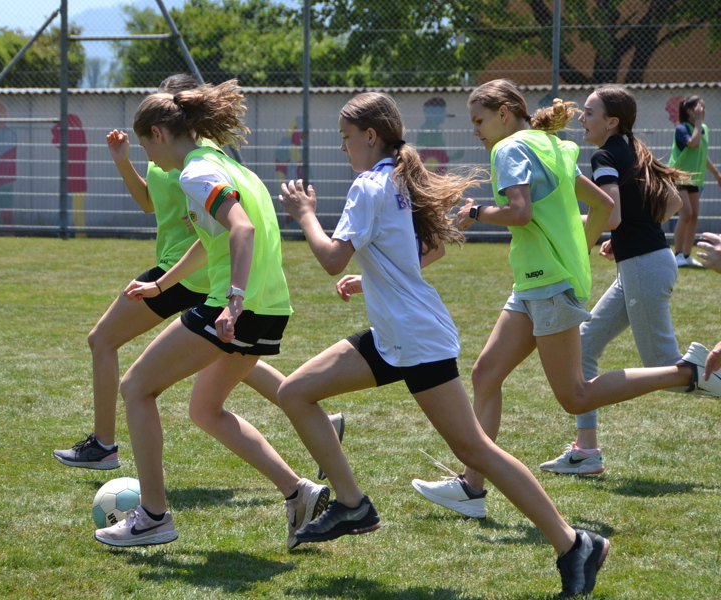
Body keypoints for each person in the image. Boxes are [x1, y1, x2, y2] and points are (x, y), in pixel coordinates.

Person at [276, 90, 609, 597]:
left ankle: (573, 543)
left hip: (414, 339)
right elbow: (426, 249)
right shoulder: (398, 178)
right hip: (396, 335)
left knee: (474, 447)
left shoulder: (368, 185)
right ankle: (351, 504)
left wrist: (303, 212)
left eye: (346, 139)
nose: (343, 148)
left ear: (370, 136)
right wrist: (379, 279)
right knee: (294, 392)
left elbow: (331, 259)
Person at [411, 80, 721, 521]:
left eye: (479, 120)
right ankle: (471, 486)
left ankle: (684, 372)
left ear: (503, 113)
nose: (475, 131)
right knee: (485, 374)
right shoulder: (550, 144)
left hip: (548, 282)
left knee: (575, 396)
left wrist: (476, 212)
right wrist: (576, 249)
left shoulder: (509, 150)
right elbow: (606, 210)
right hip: (536, 281)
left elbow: (520, 212)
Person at [53, 74, 342, 474]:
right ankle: (317, 476)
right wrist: (124, 162)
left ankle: (119, 464)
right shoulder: (191, 158)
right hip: (206, 276)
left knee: (121, 362)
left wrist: (232, 296)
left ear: (166, 124)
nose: (150, 156)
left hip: (207, 279)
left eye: (147, 145)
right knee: (219, 380)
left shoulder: (198, 162)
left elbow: (238, 227)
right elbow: (164, 211)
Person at [539, 85, 685, 475]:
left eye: (588, 112)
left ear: (612, 121)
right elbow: (672, 203)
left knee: (669, 371)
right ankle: (587, 454)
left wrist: (557, 226)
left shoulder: (604, 154)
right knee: (584, 346)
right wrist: (623, 239)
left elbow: (613, 215)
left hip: (643, 268)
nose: (581, 119)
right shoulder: (636, 149)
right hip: (645, 264)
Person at [669, 95, 721, 267]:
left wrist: (716, 174)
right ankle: (677, 255)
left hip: (695, 178)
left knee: (694, 216)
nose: (703, 111)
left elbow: (703, 155)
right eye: (699, 107)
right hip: (679, 176)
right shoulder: (682, 129)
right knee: (686, 214)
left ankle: (686, 255)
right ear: (690, 111)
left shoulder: (703, 128)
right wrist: (698, 122)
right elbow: (693, 143)